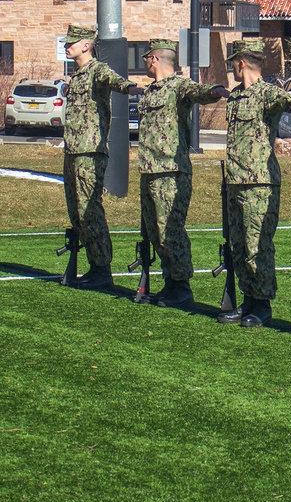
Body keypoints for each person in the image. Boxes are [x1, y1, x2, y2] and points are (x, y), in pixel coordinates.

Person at [217, 40, 291, 328]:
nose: (232, 70)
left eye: (233, 65)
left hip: (259, 183)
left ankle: (261, 303)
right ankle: (247, 300)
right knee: (239, 246)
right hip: (235, 181)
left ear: (241, 64)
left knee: (257, 245)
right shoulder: (236, 97)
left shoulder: (267, 94)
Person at [136, 39, 229, 308]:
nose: (144, 62)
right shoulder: (151, 91)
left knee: (170, 230)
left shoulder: (178, 86)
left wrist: (215, 91)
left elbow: (198, 90)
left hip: (171, 171)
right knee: (155, 231)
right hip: (150, 169)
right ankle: (170, 282)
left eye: (146, 58)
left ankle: (181, 286)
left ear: (154, 59)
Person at [62, 24, 142, 290]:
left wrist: (129, 87)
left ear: (86, 45)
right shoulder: (76, 75)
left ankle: (101, 268)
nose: (67, 46)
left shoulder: (96, 70)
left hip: (90, 152)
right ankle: (93, 264)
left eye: (72, 42)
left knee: (90, 210)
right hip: (73, 150)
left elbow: (113, 79)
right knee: (76, 211)